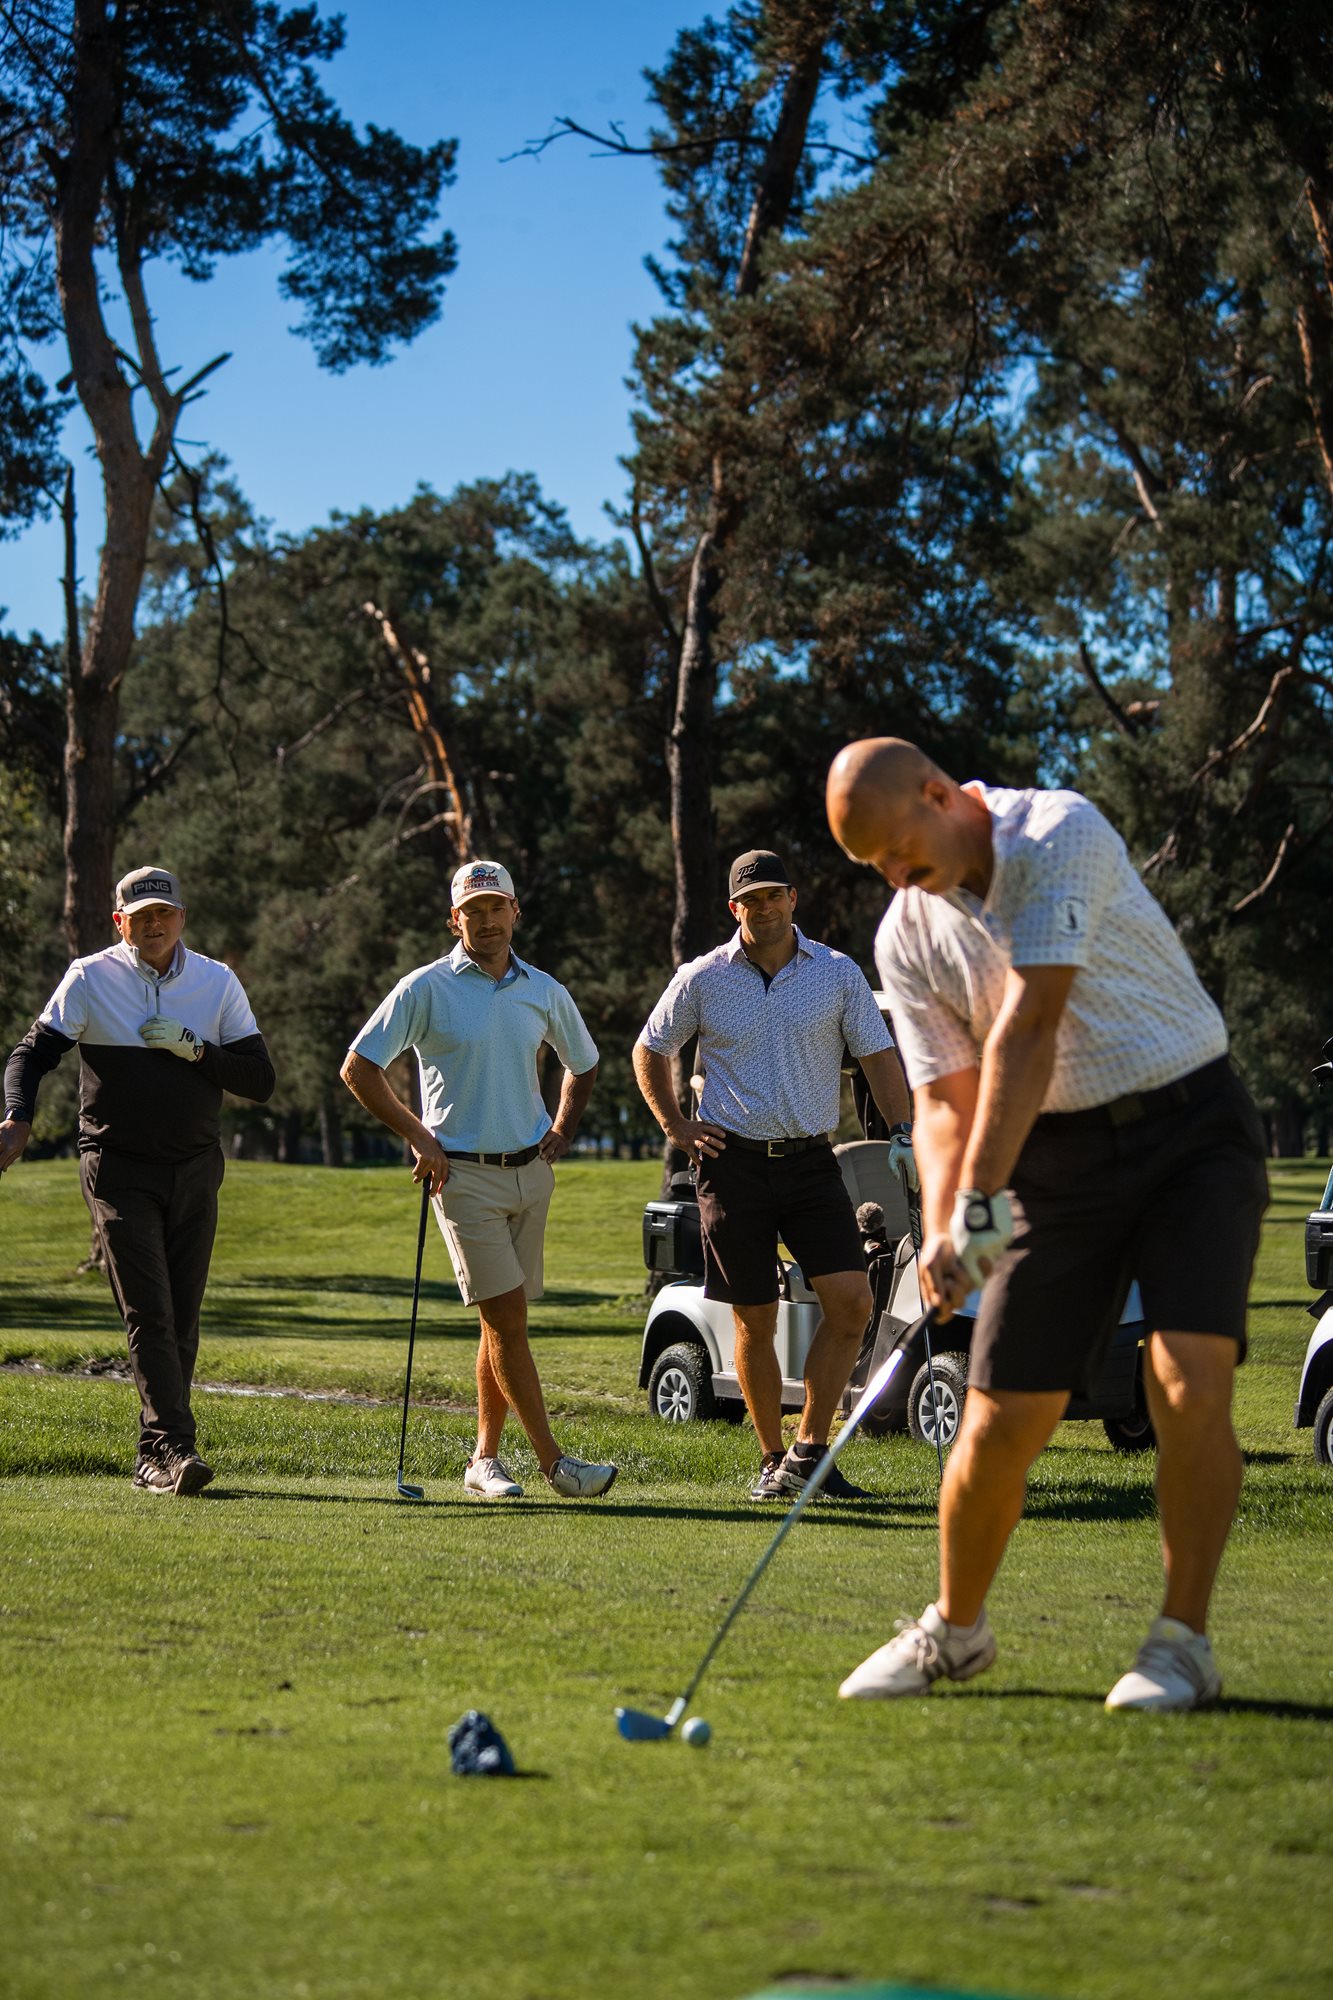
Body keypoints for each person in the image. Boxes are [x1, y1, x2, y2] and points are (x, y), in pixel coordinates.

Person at [825, 738, 1269, 1710]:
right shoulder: (906, 933)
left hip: (1188, 1132)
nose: (893, 877)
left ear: (939, 794)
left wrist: (978, 1202)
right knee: (998, 1415)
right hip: (1052, 1163)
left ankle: (1180, 1644)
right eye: (872, 866)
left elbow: (1028, 1030)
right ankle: (955, 1630)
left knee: (1184, 1380)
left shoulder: (1058, 831)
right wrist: (945, 1223)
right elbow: (944, 1100)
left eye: (897, 850)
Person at [633, 848, 912, 1500]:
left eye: (773, 895)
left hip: (811, 1162)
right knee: (754, 1320)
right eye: (750, 900)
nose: (764, 908)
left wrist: (902, 1132)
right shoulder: (703, 977)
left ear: (793, 899)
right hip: (730, 1167)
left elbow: (877, 1057)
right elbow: (649, 1050)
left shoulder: (836, 973)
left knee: (852, 1303)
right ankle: (770, 1460)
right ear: (735, 909)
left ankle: (808, 1451)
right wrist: (676, 1127)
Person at [340, 859, 617, 1501]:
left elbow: (585, 1063)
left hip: (530, 1174)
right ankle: (556, 1465)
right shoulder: (424, 988)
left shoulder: (543, 989)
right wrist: (418, 1135)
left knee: (500, 1325)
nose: (487, 920)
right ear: (454, 919)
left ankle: (483, 1460)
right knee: (509, 1319)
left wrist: (562, 1129)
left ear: (515, 912)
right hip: (461, 1177)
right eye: (473, 911)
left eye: (497, 908)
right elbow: (359, 1068)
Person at [0, 865, 276, 1495]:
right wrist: (17, 1118)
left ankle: (155, 1454)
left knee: (182, 1315)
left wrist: (196, 1049)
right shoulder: (90, 978)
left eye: (164, 914)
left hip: (195, 1167)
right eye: (141, 916)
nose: (154, 925)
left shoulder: (216, 981)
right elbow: (31, 1055)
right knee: (150, 1310)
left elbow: (260, 1081)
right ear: (119, 922)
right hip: (117, 1166)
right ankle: (175, 1447)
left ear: (181, 917)